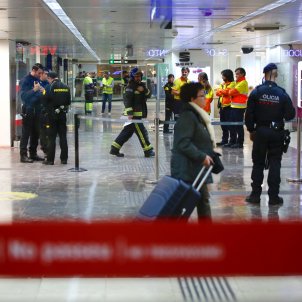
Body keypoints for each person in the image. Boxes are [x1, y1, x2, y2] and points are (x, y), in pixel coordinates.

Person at [245, 63, 295, 205]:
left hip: (261, 131)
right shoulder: (282, 93)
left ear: (264, 74)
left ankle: (255, 195)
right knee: (275, 163)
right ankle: (273, 197)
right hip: (277, 132)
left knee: (258, 163)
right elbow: (290, 114)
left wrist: (251, 130)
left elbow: (249, 115)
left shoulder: (257, 92)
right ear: (276, 74)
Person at [171, 82, 216, 221]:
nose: (205, 98)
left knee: (202, 201)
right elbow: (183, 143)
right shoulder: (188, 117)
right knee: (184, 205)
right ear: (192, 99)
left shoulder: (197, 115)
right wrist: (202, 156)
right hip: (188, 169)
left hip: (196, 169)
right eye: (202, 96)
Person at [110, 68, 155, 158]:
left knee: (127, 132)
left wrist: (144, 90)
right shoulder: (130, 87)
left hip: (138, 114)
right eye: (136, 76)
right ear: (132, 77)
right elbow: (127, 101)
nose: (138, 78)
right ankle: (148, 150)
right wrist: (130, 113)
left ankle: (114, 149)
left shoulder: (141, 85)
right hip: (134, 115)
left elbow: (149, 95)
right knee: (142, 132)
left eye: (139, 76)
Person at [41, 72, 71, 165]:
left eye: (48, 79)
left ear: (50, 78)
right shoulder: (66, 87)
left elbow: (44, 101)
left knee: (51, 138)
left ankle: (50, 160)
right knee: (63, 137)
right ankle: (64, 159)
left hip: (52, 116)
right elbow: (68, 102)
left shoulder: (48, 87)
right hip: (62, 115)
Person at [19, 63, 45, 163]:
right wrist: (34, 90)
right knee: (26, 133)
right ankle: (23, 155)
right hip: (28, 110)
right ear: (33, 70)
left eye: (42, 73)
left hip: (37, 110)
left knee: (36, 133)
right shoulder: (25, 81)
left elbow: (39, 95)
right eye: (39, 73)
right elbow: (23, 96)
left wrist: (43, 91)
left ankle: (33, 154)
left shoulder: (38, 80)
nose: (40, 75)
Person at [228, 67, 249, 148]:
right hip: (233, 106)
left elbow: (231, 92)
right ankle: (232, 141)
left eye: (237, 74)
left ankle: (240, 143)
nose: (236, 75)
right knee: (232, 125)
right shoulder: (237, 82)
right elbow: (230, 91)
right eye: (235, 74)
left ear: (242, 74)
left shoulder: (243, 83)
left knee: (238, 126)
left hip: (239, 108)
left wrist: (230, 90)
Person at [215, 69, 235, 146]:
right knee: (223, 125)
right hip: (222, 107)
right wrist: (222, 91)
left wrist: (221, 91)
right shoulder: (223, 84)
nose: (222, 77)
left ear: (227, 76)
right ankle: (224, 140)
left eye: (223, 75)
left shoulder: (233, 84)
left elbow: (227, 92)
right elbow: (217, 92)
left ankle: (232, 141)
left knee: (230, 125)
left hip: (229, 107)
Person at [39, 68, 50, 158]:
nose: (46, 75)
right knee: (42, 132)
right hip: (39, 111)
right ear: (41, 74)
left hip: (47, 111)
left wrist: (44, 92)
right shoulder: (37, 83)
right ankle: (44, 148)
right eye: (45, 74)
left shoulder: (48, 84)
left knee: (47, 132)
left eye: (47, 74)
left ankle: (47, 149)